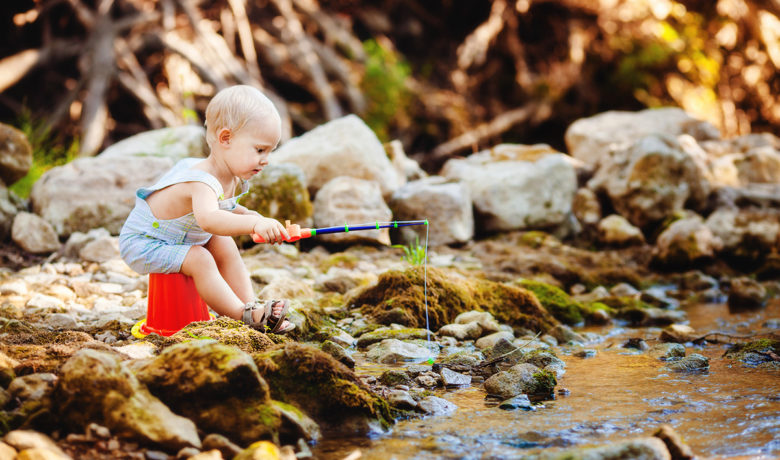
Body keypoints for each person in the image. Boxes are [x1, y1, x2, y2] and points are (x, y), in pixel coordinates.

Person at [119, 85, 294, 333]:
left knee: (223, 244)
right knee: (200, 258)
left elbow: (226, 209)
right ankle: (240, 315)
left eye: (270, 151)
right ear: (225, 138)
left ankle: (250, 306)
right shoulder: (201, 180)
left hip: (179, 238)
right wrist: (253, 225)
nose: (266, 159)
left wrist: (255, 218)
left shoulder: (231, 177)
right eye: (259, 150)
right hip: (145, 242)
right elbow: (209, 219)